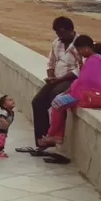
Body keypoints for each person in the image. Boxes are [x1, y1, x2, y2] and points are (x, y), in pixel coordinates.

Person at [38, 36, 101, 147]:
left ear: (87, 48)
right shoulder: (94, 58)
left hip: (95, 95)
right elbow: (83, 78)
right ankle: (55, 135)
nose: (79, 52)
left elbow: (85, 81)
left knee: (57, 102)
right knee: (59, 98)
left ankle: (55, 135)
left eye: (79, 50)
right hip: (91, 93)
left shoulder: (94, 61)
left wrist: (71, 91)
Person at [30, 16, 79, 148]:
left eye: (62, 33)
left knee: (55, 95)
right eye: (57, 33)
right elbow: (51, 62)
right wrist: (51, 76)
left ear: (71, 30)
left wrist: (60, 79)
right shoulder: (56, 43)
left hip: (71, 79)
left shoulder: (79, 44)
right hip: (57, 78)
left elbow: (81, 69)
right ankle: (42, 139)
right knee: (37, 102)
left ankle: (55, 135)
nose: (59, 36)